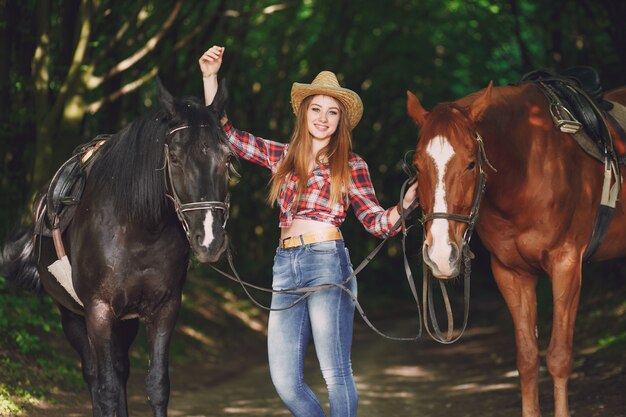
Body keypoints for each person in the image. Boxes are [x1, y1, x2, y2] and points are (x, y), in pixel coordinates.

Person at [199, 45, 418, 417]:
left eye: (333, 112)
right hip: (284, 266)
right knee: (285, 381)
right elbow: (228, 136)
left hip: (327, 261)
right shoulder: (282, 155)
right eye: (316, 109)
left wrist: (407, 205)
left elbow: (377, 223)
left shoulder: (351, 165)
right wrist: (210, 77)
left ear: (341, 122)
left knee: (335, 373)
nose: (323, 117)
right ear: (303, 112)